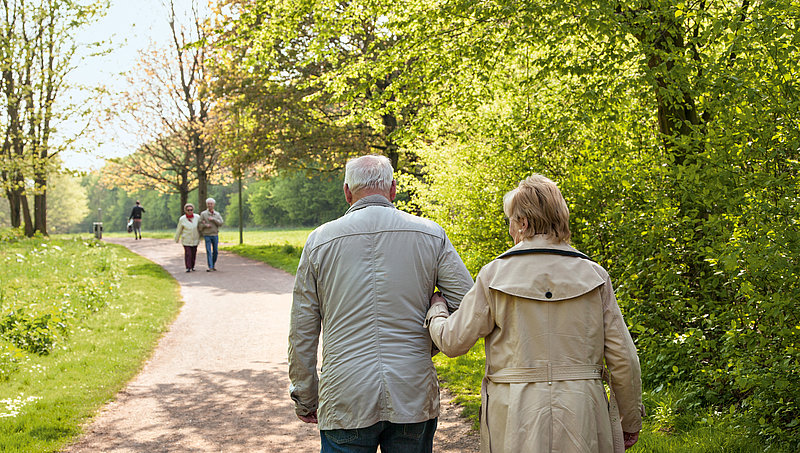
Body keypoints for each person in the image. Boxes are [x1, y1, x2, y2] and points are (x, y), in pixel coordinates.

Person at [426, 174, 644, 453]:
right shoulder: (594, 275)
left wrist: (437, 309)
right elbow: (624, 358)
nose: (509, 230)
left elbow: (453, 342)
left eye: (510, 222)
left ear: (523, 223)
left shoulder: (495, 274)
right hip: (584, 414)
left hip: (516, 415)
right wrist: (630, 420)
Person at [288, 155, 474, 453]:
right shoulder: (430, 233)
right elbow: (468, 304)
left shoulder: (319, 241)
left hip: (345, 393)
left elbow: (303, 328)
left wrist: (306, 396)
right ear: (393, 189)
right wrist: (429, 335)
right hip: (412, 388)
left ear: (347, 192)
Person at [198, 197, 224, 272]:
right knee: (209, 251)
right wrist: (205, 225)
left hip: (215, 234)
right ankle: (210, 266)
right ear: (206, 205)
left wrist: (213, 220)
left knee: (215, 251)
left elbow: (221, 223)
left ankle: (213, 264)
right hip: (207, 235)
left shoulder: (217, 214)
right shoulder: (203, 214)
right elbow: (199, 224)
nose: (210, 205)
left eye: (211, 204)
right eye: (208, 204)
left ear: (214, 205)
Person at [174, 203, 200, 272]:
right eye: (188, 210)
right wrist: (176, 238)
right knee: (188, 253)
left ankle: (192, 266)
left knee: (194, 253)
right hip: (186, 239)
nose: (190, 211)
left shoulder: (197, 217)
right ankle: (188, 267)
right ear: (185, 211)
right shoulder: (182, 219)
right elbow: (179, 229)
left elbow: (201, 227)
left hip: (195, 239)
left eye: (191, 210)